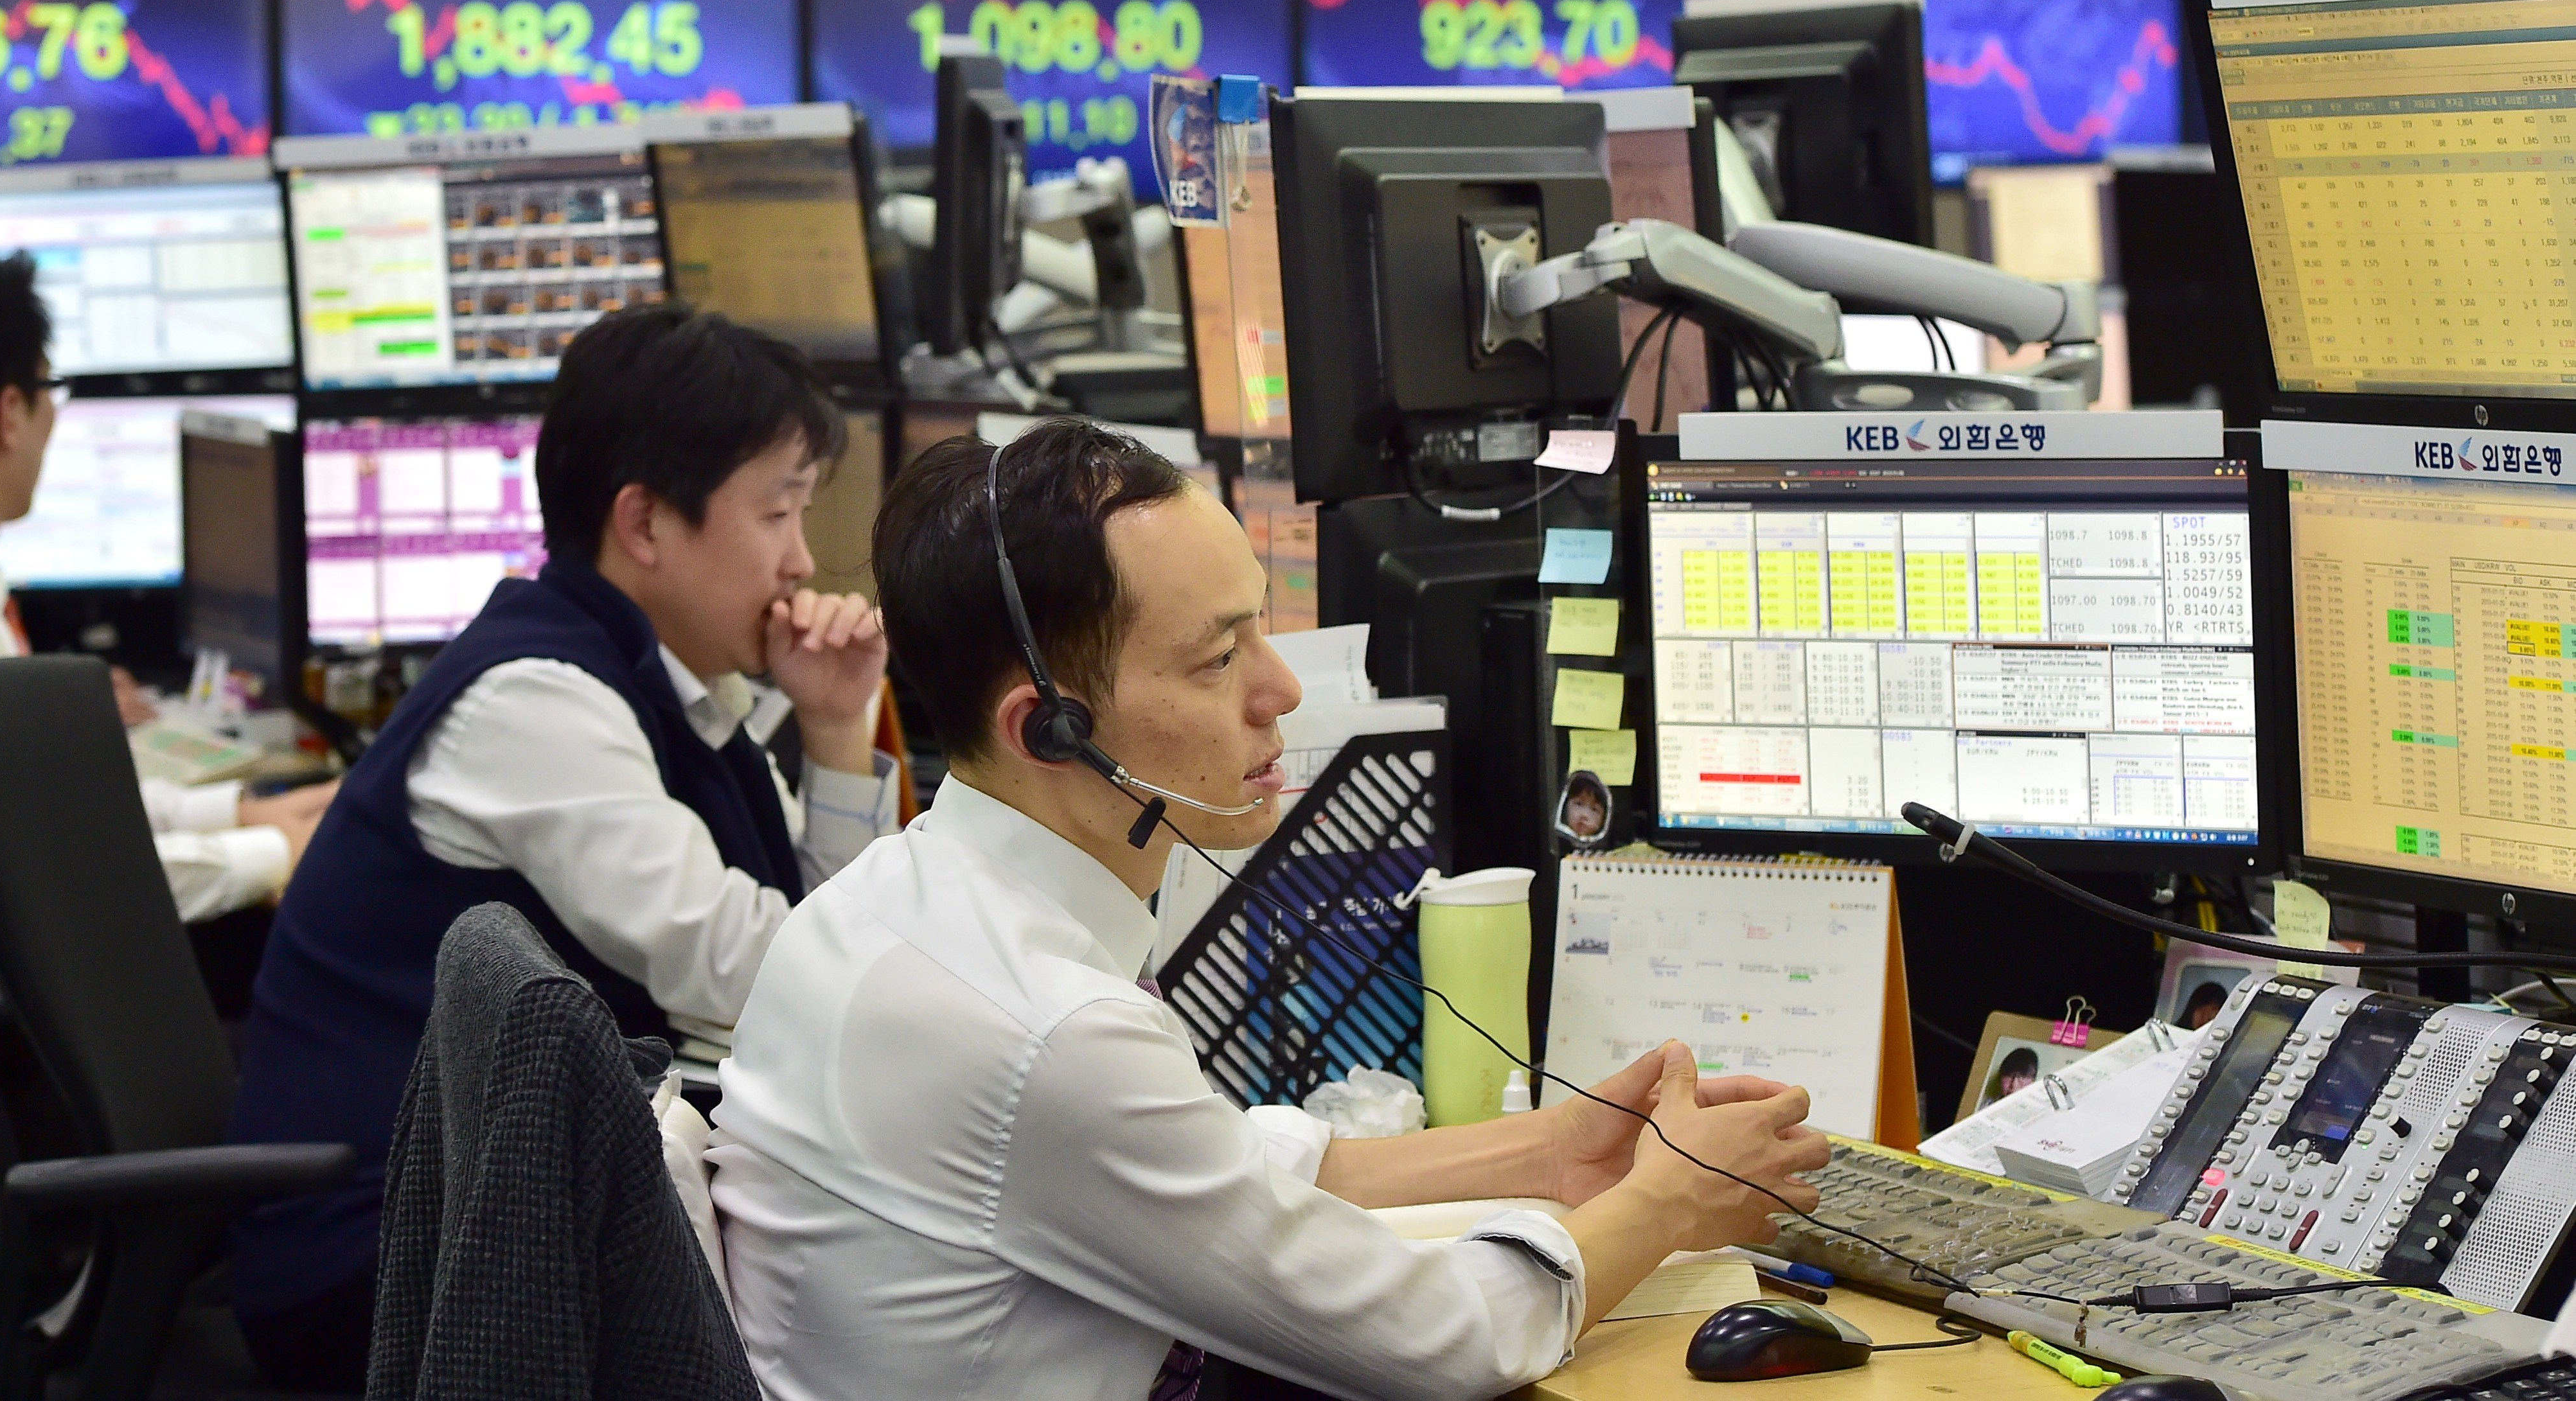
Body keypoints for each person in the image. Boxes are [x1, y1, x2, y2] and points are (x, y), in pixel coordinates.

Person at [710, 419, 1829, 1401]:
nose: (1279, 688)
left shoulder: (886, 904)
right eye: (1216, 658)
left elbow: (1200, 1165)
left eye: (1258, 624)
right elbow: (1444, 1338)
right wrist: (1672, 1201)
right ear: (1048, 729)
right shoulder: (1044, 1033)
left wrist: (1548, 1148)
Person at [225, 303, 901, 1394]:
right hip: (389, 1261)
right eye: (778, 511)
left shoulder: (660, 682)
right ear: (646, 523)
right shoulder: (536, 701)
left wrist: (832, 729)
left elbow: (815, 940)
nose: (802, 560)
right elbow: (759, 977)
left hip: (499, 1200)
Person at [0, 244, 332, 1012]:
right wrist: (272, 853)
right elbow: (55, 877)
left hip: (12, 997)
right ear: (10, 413)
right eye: (51, 391)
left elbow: (53, 817)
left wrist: (236, 815)